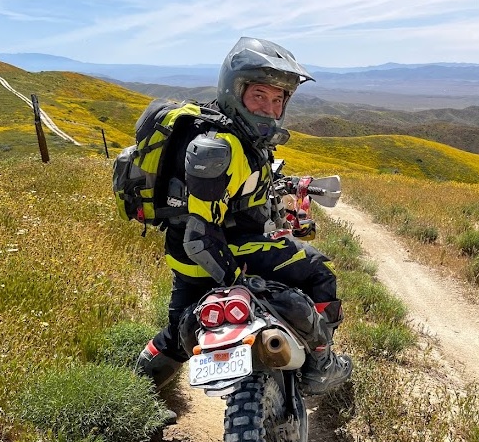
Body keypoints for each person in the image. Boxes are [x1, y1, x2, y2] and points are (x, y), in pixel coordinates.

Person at [135, 37, 352, 420]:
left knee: (176, 334)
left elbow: (238, 196)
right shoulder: (221, 147)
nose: (270, 108)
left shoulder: (238, 137)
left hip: (188, 258)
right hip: (222, 253)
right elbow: (201, 235)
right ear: (235, 92)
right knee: (318, 273)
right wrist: (240, 280)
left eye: (278, 99)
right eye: (258, 96)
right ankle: (321, 365)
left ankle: (135, 394)